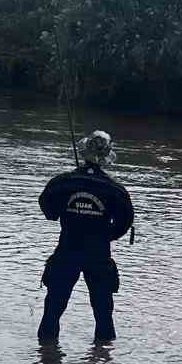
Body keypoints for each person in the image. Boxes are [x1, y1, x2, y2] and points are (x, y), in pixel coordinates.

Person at [37, 130, 134, 344]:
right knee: (103, 314)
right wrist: (105, 236)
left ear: (83, 152)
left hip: (67, 250)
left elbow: (48, 211)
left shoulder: (62, 182)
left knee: (52, 309)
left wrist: (68, 212)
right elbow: (125, 222)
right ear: (108, 156)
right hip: (98, 255)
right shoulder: (115, 189)